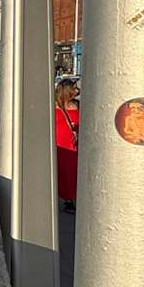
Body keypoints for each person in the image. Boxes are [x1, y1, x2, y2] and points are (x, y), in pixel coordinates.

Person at [55, 79, 81, 207]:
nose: (77, 90)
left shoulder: (78, 105)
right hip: (60, 146)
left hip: (74, 143)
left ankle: (73, 198)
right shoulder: (54, 107)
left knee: (74, 172)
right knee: (64, 173)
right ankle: (68, 199)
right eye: (74, 88)